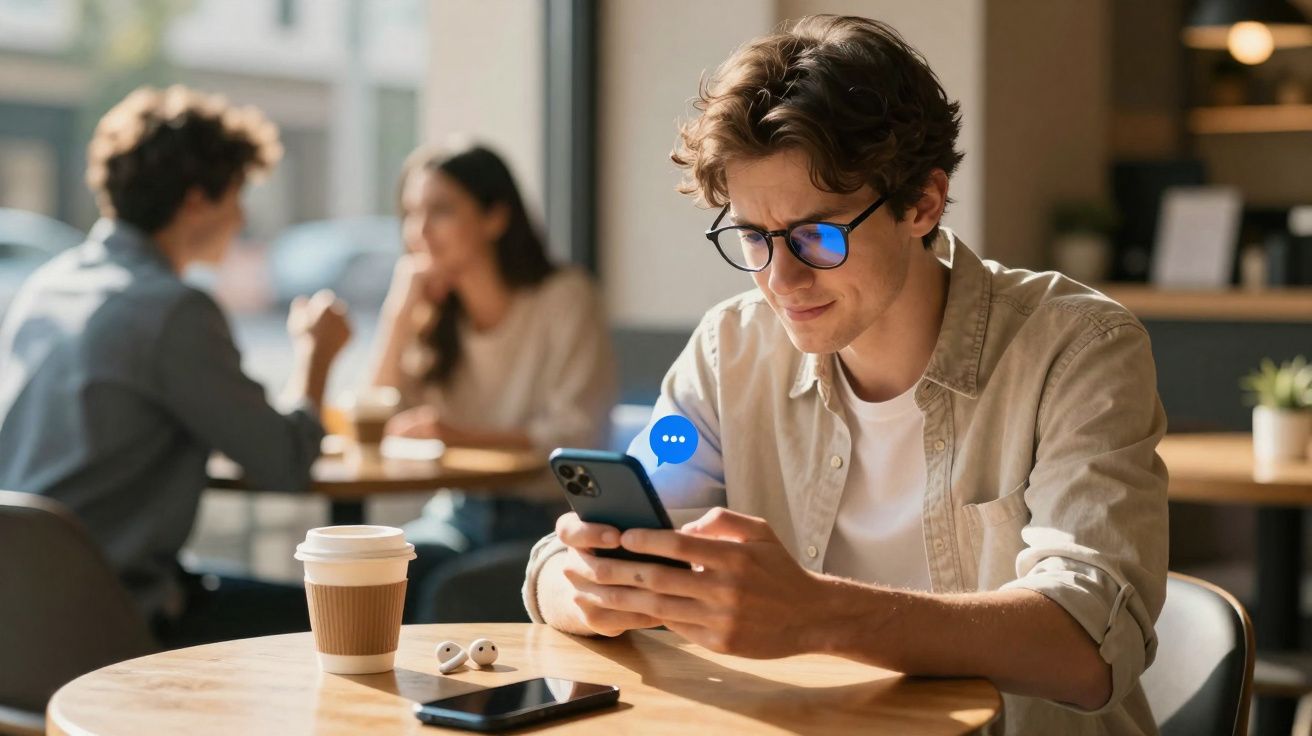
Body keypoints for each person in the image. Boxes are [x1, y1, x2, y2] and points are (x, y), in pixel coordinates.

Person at [522, 16, 1167, 735]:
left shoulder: (1076, 348)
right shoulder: (729, 352)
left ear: (921, 203)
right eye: (753, 238)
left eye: (815, 235)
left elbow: (1090, 644)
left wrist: (817, 614)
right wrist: (576, 583)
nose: (781, 278)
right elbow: (619, 517)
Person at [0, 85, 352, 646]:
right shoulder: (173, 311)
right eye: (237, 196)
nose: (241, 218)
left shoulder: (48, 286)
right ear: (195, 201)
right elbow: (285, 462)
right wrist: (317, 356)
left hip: (19, 623)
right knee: (353, 618)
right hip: (111, 622)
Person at [369, 143, 616, 623]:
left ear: (495, 218)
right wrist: (399, 315)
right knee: (376, 573)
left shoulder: (565, 299)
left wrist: (457, 436)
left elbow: (577, 435)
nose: (418, 232)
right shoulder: (432, 313)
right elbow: (378, 419)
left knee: (455, 592)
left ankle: (446, 702)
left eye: (440, 211)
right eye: (410, 213)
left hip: (545, 524)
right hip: (457, 513)